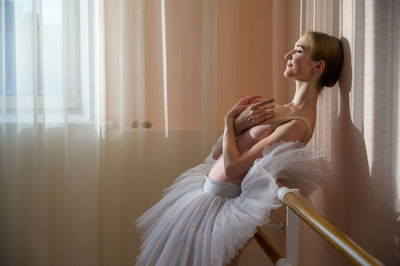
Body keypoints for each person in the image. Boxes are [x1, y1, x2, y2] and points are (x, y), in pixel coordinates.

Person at [135, 31, 344, 266]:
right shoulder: (281, 109)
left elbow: (233, 167)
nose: (287, 54)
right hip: (205, 197)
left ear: (317, 67)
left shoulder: (297, 124)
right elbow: (217, 153)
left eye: (298, 50)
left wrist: (228, 121)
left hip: (223, 207)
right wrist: (235, 126)